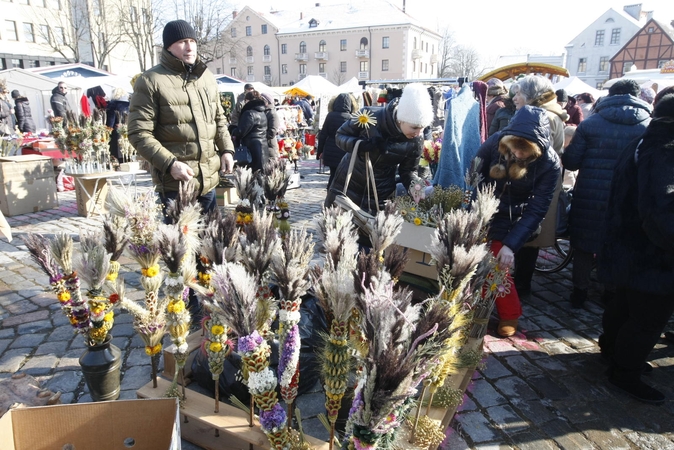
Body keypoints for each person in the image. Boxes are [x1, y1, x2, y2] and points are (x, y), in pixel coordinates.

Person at [597, 90, 674, 405]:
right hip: (652, 255)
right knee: (647, 318)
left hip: (626, 245)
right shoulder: (664, 151)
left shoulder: (642, 143)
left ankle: (611, 350)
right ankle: (624, 372)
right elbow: (663, 211)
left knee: (625, 304)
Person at [128, 19, 235, 217]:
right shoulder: (150, 81)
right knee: (182, 246)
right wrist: (170, 164)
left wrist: (227, 149)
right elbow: (138, 132)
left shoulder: (206, 77)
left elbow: (218, 118)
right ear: (169, 47)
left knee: (212, 244)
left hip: (209, 181)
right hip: (176, 184)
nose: (189, 47)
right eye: (182, 42)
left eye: (192, 41)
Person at [562, 79, 651, 308]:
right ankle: (609, 292)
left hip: (590, 195)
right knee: (616, 242)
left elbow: (571, 162)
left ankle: (579, 292)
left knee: (583, 244)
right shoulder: (648, 126)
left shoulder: (591, 124)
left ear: (611, 95)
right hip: (627, 197)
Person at [475, 106, 560, 337]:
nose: (519, 155)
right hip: (483, 207)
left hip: (516, 216)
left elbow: (537, 208)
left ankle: (510, 313)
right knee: (472, 258)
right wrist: (475, 209)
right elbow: (474, 173)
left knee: (496, 259)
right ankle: (476, 303)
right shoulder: (495, 143)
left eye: (525, 152)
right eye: (515, 149)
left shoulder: (549, 163)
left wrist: (511, 245)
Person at [324, 83, 433, 237]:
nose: (418, 133)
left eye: (423, 128)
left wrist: (417, 188)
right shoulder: (369, 116)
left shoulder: (416, 140)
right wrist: (361, 145)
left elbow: (408, 171)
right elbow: (340, 136)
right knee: (338, 235)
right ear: (401, 119)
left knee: (371, 240)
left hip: (379, 194)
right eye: (414, 127)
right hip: (348, 184)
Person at [510, 76, 567, 298]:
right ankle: (520, 282)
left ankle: (521, 285)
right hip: (535, 183)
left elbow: (538, 157)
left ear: (531, 96)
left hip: (535, 185)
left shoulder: (544, 117)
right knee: (527, 237)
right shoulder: (546, 114)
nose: (514, 97)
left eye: (519, 93)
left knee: (529, 236)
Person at [316, 92, 358, 190]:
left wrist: (319, 152)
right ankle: (340, 195)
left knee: (333, 174)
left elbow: (323, 135)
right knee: (344, 175)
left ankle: (330, 195)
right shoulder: (351, 118)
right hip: (344, 150)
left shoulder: (330, 116)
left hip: (330, 150)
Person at [231, 90, 267, 173]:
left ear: (248, 100)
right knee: (261, 173)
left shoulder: (249, 113)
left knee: (253, 173)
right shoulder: (262, 112)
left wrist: (232, 129)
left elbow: (241, 131)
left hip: (252, 147)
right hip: (263, 146)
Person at [106, 87, 130, 163]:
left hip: (116, 131)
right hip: (128, 130)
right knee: (127, 149)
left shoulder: (113, 104)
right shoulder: (129, 104)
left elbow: (111, 119)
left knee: (117, 151)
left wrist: (108, 130)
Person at [260, 92, 280, 161]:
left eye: (262, 100)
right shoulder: (263, 111)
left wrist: (261, 136)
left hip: (270, 145)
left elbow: (273, 131)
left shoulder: (272, 113)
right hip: (264, 144)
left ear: (267, 101)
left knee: (271, 164)